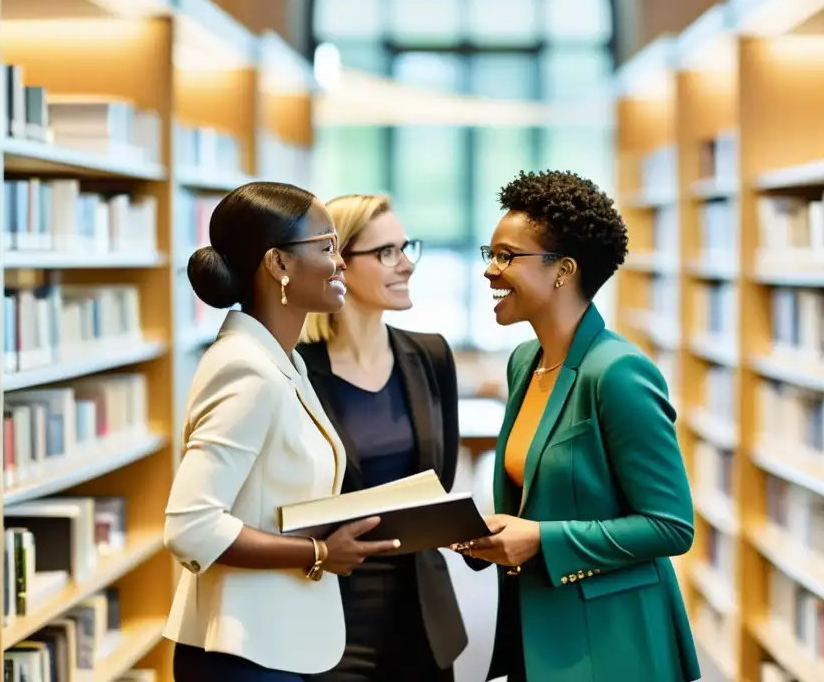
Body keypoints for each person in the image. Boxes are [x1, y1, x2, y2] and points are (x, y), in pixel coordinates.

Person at [455, 170, 701, 682]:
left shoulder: (618, 373)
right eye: (490, 254)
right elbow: (536, 498)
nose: (490, 271)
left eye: (507, 256)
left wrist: (543, 539)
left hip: (612, 642)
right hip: (537, 627)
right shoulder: (526, 361)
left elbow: (671, 526)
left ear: (563, 270)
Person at [162, 182, 402, 682]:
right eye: (326, 247)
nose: (339, 263)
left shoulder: (282, 361)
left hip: (276, 646)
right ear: (278, 264)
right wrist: (318, 553)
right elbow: (190, 526)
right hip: (242, 655)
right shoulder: (246, 369)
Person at [296, 194, 466, 682]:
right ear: (338, 265)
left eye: (406, 246)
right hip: (328, 610)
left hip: (422, 618)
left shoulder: (431, 357)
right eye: (386, 251)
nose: (407, 264)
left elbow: (439, 483)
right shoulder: (296, 371)